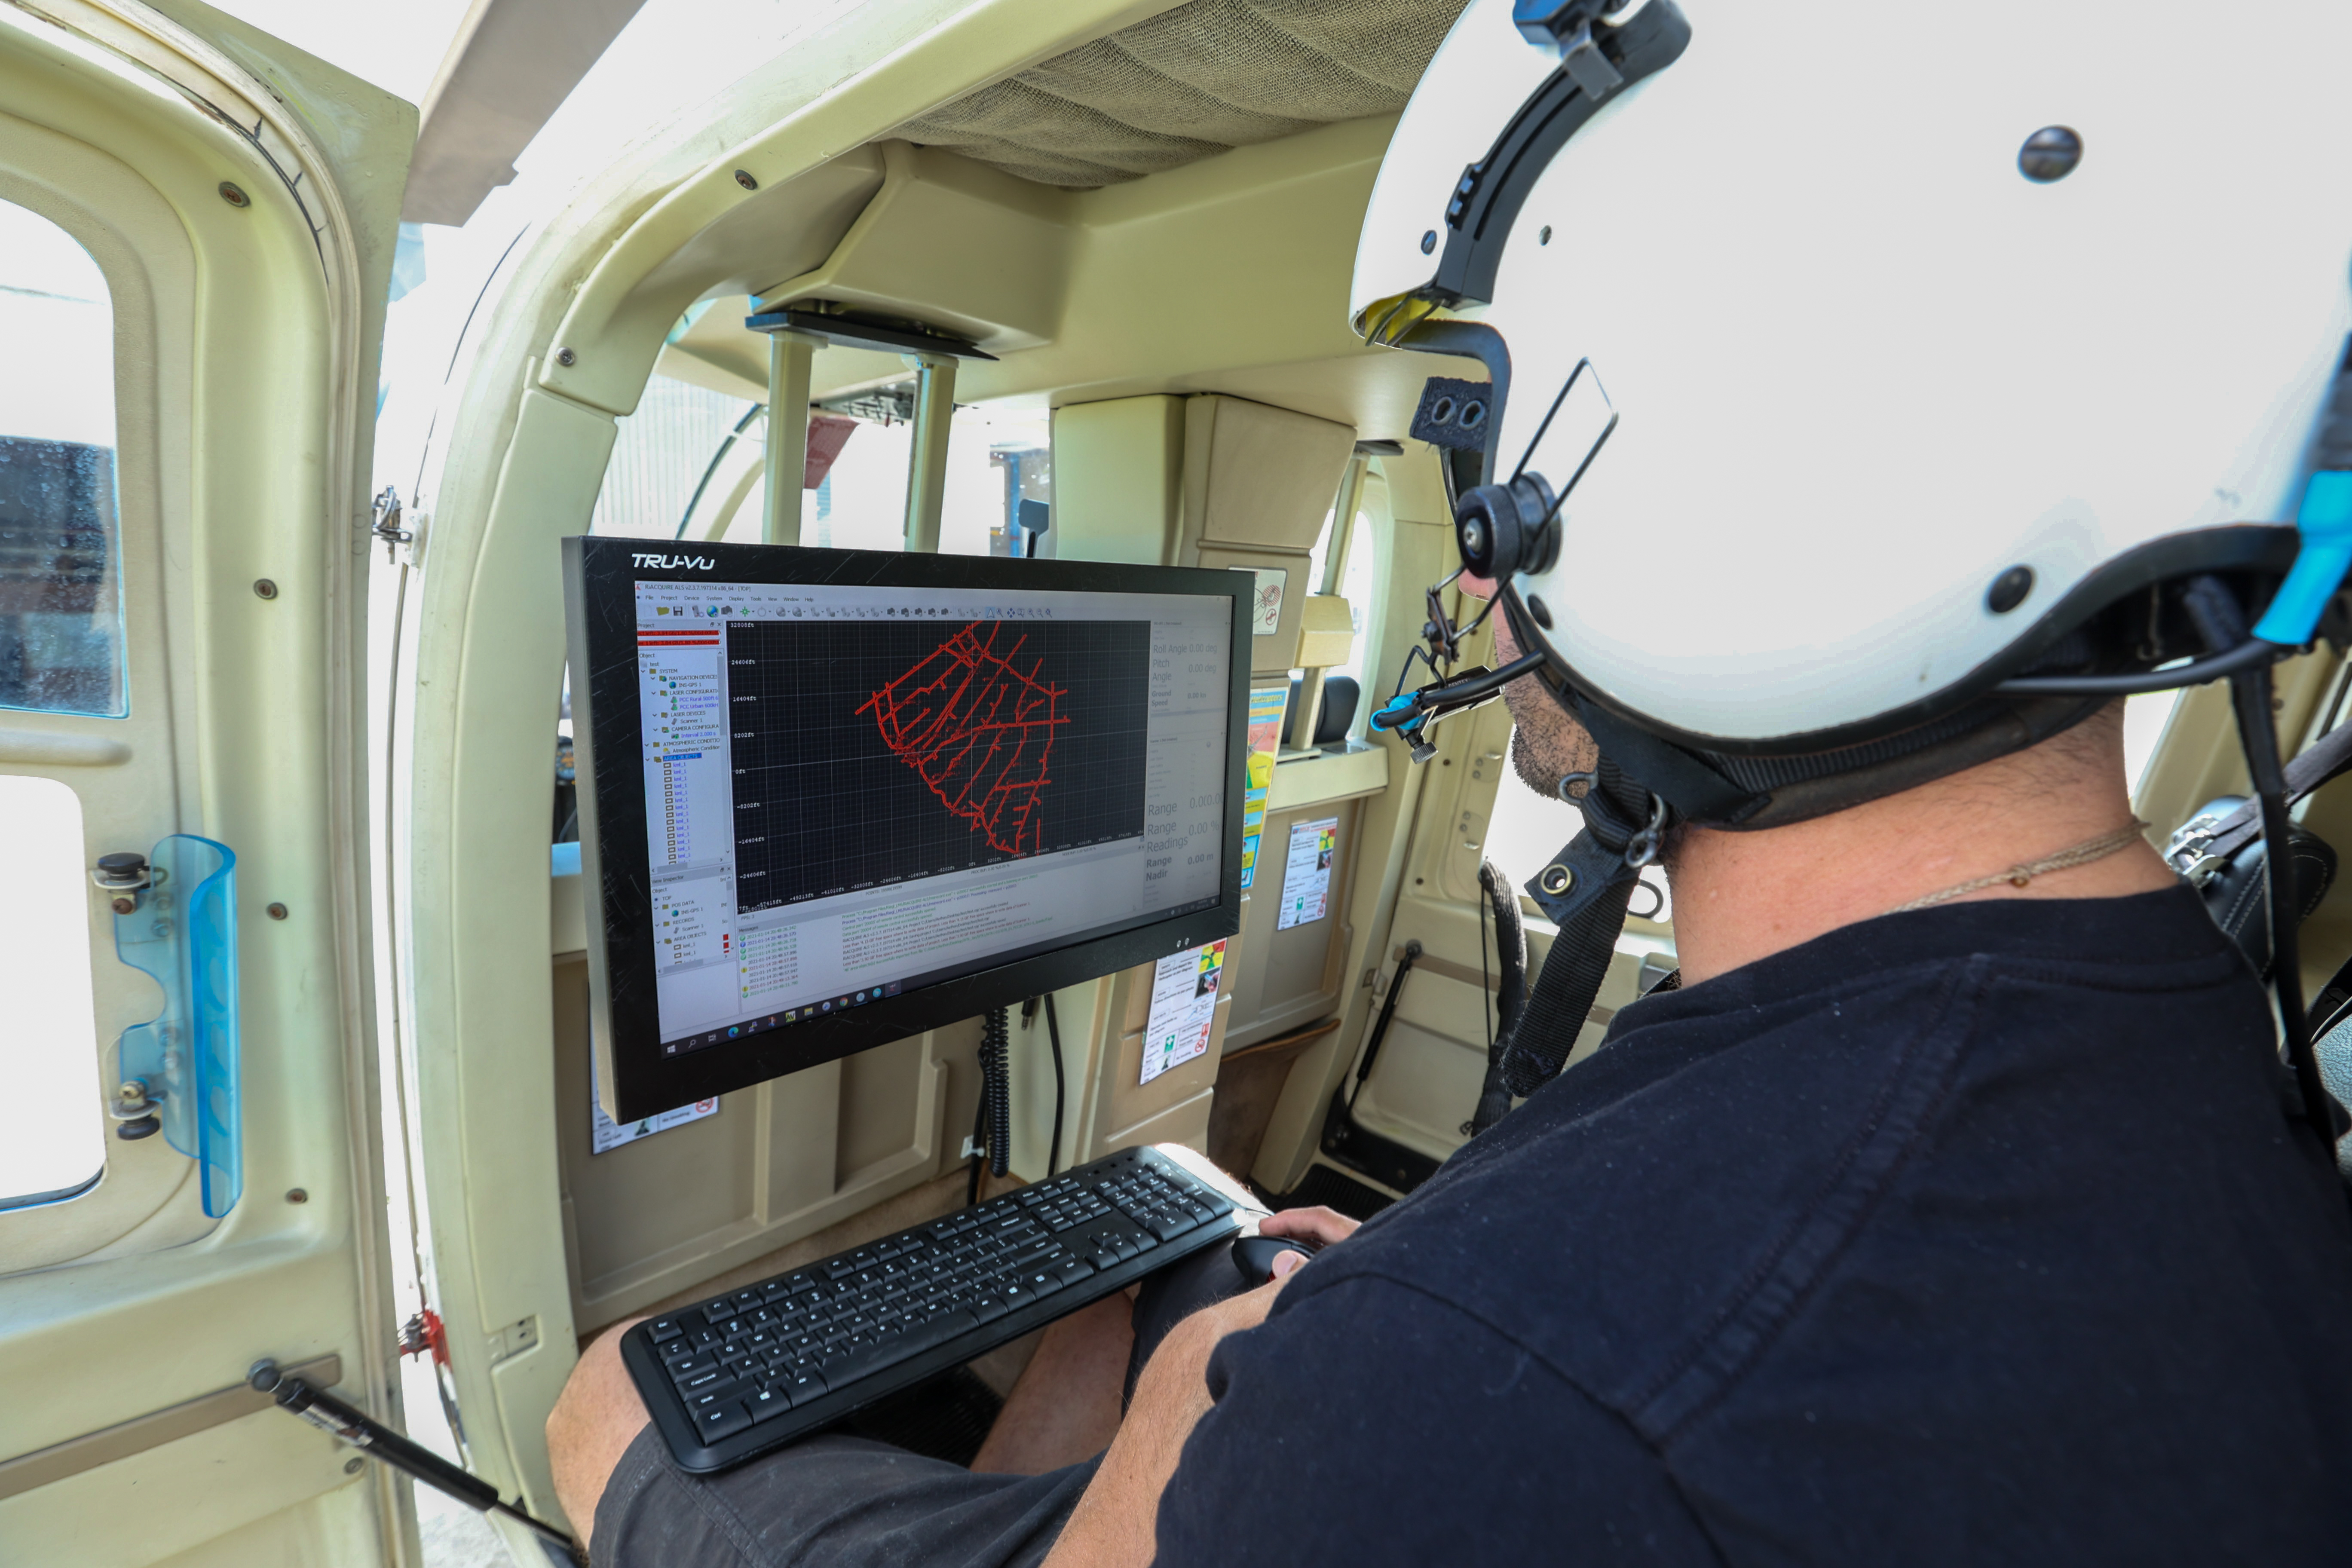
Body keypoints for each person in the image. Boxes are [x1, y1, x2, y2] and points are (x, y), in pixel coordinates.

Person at [551, 0, 2352, 1558]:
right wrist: (1338, 1335)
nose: (1478, 571)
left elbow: (1560, 1391)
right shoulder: (2180, 1030)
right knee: (1192, 1273)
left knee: (605, 1405)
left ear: (1749, 483)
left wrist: (1371, 1365)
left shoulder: (1502, 1396)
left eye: (1488, 451)